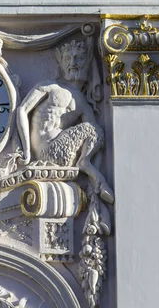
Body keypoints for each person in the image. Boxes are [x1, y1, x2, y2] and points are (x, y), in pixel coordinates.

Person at [17, 39, 114, 203]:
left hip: (64, 153)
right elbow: (22, 110)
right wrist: (25, 151)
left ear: (87, 62)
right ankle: (87, 167)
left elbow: (97, 141)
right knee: (93, 129)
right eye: (68, 59)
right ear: (61, 63)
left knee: (96, 131)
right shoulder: (50, 87)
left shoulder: (82, 103)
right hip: (46, 149)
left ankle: (89, 170)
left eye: (79, 58)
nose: (73, 63)